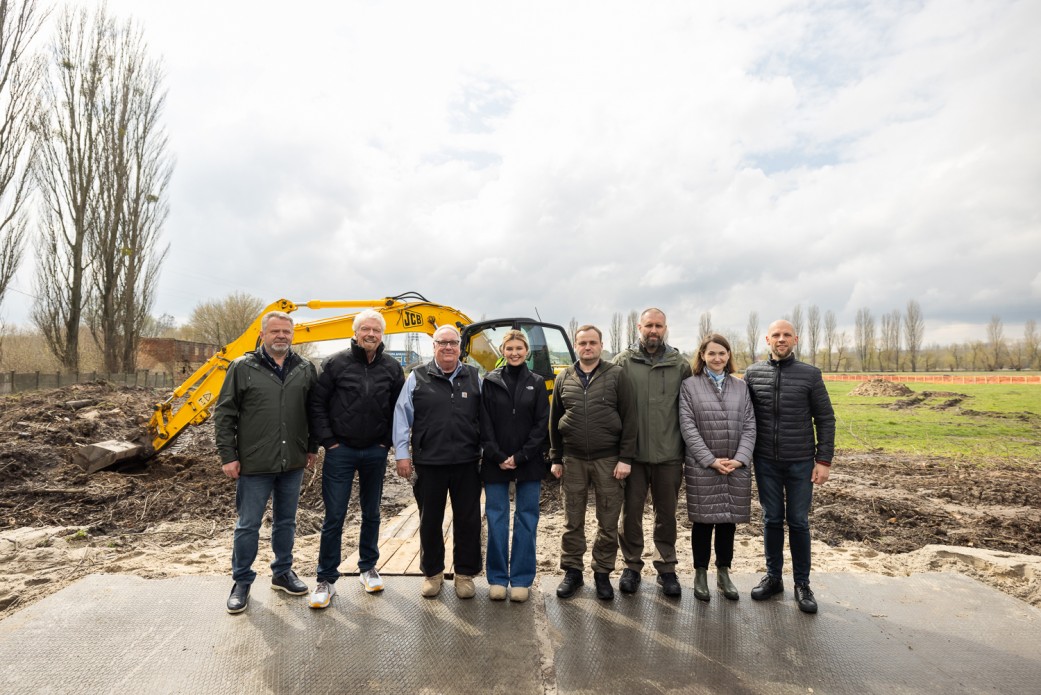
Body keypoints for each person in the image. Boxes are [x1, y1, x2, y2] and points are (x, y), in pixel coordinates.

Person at [214, 311, 318, 614]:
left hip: (292, 461)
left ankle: (282, 573)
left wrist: (311, 447)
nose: (281, 336)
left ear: (293, 335)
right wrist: (228, 456)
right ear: (262, 335)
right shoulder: (242, 368)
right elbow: (224, 415)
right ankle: (242, 581)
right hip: (254, 462)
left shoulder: (306, 369)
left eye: (286, 331)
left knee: (286, 521)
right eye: (275, 332)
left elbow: (313, 412)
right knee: (248, 525)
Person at [307, 309, 405, 609]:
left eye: (376, 330)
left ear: (382, 335)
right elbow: (317, 404)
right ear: (355, 332)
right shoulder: (335, 364)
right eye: (365, 329)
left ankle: (368, 567)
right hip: (341, 452)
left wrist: (386, 442)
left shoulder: (391, 367)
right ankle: (326, 579)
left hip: (374, 451)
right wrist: (330, 443)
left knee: (372, 512)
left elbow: (399, 409)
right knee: (334, 516)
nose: (371, 334)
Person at [744, 319, 835, 614]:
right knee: (771, 520)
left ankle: (802, 584)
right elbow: (743, 417)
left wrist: (823, 461)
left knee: (798, 522)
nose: (781, 339)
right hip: (766, 461)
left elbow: (825, 419)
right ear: (766, 340)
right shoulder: (752, 374)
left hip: (800, 462)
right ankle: (773, 579)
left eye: (786, 335)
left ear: (795, 339)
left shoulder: (810, 375)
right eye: (776, 335)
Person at [392, 325, 483, 599]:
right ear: (433, 346)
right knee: (430, 520)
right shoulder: (417, 377)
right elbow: (401, 416)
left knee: (468, 521)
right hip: (430, 462)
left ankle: (465, 575)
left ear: (460, 347)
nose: (448, 348)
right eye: (442, 343)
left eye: (453, 343)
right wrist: (402, 454)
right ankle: (433, 573)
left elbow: (487, 417)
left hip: (467, 462)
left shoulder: (474, 377)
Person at [549, 325, 637, 601]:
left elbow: (630, 419)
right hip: (573, 460)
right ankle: (572, 572)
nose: (588, 347)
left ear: (601, 345)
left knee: (608, 521)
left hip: (608, 460)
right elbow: (554, 421)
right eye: (583, 343)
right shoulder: (564, 377)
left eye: (592, 343)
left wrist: (625, 458)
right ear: (576, 346)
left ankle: (602, 573)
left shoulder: (617, 375)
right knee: (572, 520)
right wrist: (555, 457)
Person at [612, 308, 692, 597]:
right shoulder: (622, 363)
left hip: (669, 454)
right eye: (649, 325)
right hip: (632, 456)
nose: (653, 330)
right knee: (630, 514)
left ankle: (667, 568)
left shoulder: (680, 365)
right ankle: (631, 567)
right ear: (639, 327)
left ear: (666, 328)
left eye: (659, 325)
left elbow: (690, 409)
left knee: (666, 515)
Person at [678, 334, 756, 602]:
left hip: (735, 466)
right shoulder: (689, 386)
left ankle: (724, 572)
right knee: (702, 522)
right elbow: (687, 426)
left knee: (727, 522)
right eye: (712, 353)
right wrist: (709, 459)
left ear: (728, 355)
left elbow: (749, 424)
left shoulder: (740, 386)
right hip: (704, 466)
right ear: (702, 356)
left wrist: (741, 457)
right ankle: (700, 573)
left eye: (722, 353)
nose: (717, 358)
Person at [480, 330, 550, 603]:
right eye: (509, 348)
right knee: (497, 518)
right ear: (502, 351)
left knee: (526, 519)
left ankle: (521, 579)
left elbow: (540, 424)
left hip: (529, 462)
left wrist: (520, 456)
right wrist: (497, 455)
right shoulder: (490, 381)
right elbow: (483, 423)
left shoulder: (537, 382)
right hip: (495, 461)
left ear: (527, 351)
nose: (514, 352)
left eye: (519, 348)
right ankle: (497, 578)